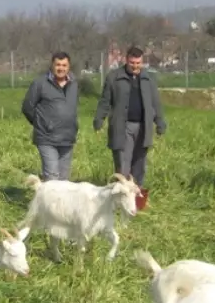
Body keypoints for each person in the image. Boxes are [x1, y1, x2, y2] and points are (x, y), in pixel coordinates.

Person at [93, 46, 165, 208]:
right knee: (123, 166)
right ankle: (119, 203)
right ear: (126, 60)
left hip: (143, 127)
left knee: (139, 165)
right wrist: (99, 119)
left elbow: (156, 104)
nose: (135, 66)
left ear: (142, 62)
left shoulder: (148, 80)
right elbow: (105, 101)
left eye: (138, 63)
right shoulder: (114, 77)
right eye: (132, 62)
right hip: (122, 127)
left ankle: (136, 202)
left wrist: (160, 122)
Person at [21, 51, 80, 181]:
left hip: (67, 137)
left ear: (69, 66)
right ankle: (47, 201)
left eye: (64, 65)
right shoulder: (40, 83)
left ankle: (61, 202)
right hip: (47, 138)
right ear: (52, 66)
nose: (61, 68)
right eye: (58, 65)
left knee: (64, 180)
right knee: (52, 177)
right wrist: (42, 124)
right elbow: (27, 107)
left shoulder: (74, 83)